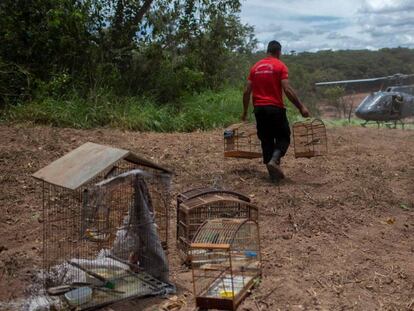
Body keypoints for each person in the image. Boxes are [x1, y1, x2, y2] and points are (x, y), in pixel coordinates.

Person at [241, 40, 310, 181]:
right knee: (283, 137)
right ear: (279, 52)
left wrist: (244, 111)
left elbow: (246, 91)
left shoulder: (255, 67)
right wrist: (301, 107)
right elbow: (287, 89)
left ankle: (273, 175)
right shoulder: (280, 66)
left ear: (267, 51)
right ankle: (274, 160)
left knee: (266, 140)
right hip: (275, 108)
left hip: (259, 109)